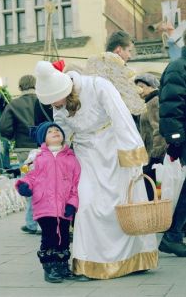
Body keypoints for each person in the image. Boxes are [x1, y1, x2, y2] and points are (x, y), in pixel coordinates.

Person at [34, 60, 158, 280]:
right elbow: (62, 132)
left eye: (57, 99)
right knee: (87, 204)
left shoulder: (98, 85)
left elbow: (120, 115)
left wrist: (131, 152)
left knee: (123, 203)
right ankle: (90, 262)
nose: (56, 104)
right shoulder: (58, 105)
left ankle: (133, 258)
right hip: (85, 154)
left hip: (112, 148)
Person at [15, 122, 81, 283]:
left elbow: (75, 183)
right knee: (50, 236)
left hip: (64, 206)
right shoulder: (37, 157)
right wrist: (24, 186)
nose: (55, 132)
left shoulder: (71, 158)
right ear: (42, 138)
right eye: (50, 131)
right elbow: (30, 176)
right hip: (44, 204)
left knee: (64, 237)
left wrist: (72, 203)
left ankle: (62, 265)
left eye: (57, 130)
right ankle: (49, 268)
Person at [0, 75, 53, 235]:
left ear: (20, 87)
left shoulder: (14, 104)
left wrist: (14, 136)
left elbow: (4, 128)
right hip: (45, 147)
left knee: (30, 185)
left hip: (23, 149)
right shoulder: (44, 101)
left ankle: (32, 222)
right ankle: (40, 221)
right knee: (45, 184)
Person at [159, 29, 186, 257]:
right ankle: (173, 235)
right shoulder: (178, 66)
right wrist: (175, 139)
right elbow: (170, 106)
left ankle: (175, 233)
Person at [134, 73, 167, 200]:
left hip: (154, 156)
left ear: (151, 87)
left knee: (155, 189)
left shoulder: (154, 102)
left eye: (142, 86)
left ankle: (157, 214)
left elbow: (158, 129)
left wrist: (156, 154)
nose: (139, 90)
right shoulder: (147, 103)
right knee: (153, 188)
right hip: (149, 154)